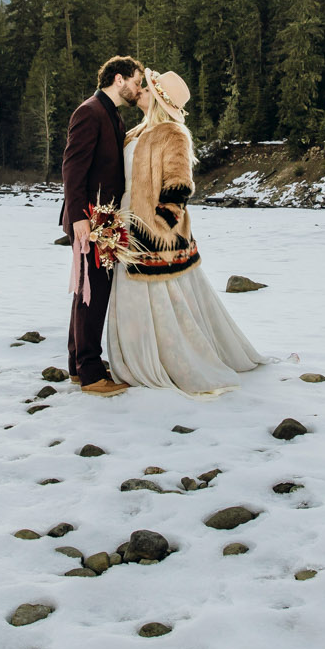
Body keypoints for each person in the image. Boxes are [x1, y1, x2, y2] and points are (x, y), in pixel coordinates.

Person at [105, 69, 266, 395]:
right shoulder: (135, 132)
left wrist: (156, 229)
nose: (140, 90)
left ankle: (170, 361)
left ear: (159, 99)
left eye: (147, 88)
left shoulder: (173, 134)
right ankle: (135, 359)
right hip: (127, 223)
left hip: (155, 233)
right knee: (130, 299)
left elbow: (179, 187)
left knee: (168, 303)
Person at [58, 55, 146, 396]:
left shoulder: (113, 116)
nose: (138, 89)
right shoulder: (90, 111)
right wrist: (80, 217)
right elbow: (72, 167)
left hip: (104, 219)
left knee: (87, 292)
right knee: (93, 295)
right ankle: (92, 375)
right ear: (119, 79)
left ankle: (78, 366)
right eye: (136, 82)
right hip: (90, 219)